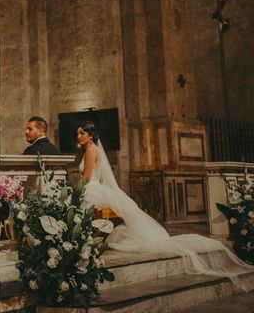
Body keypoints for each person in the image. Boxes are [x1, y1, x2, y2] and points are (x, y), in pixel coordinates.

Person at [76, 121, 253, 289]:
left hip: (92, 188)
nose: (79, 136)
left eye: (82, 133)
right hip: (97, 187)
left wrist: (76, 190)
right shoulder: (93, 149)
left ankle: (84, 243)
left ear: (91, 135)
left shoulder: (91, 150)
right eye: (78, 133)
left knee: (80, 209)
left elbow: (86, 178)